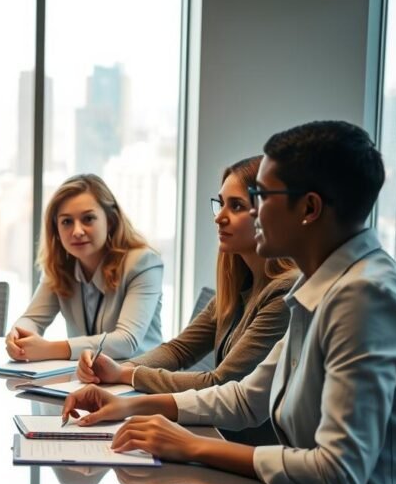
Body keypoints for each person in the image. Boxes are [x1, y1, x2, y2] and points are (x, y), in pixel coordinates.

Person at [62, 121, 396, 484]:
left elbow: (337, 474)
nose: (250, 212)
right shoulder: (320, 286)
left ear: (309, 208)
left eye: (260, 198)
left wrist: (193, 446)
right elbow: (247, 399)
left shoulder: (366, 299)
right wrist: (131, 405)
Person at [77, 156, 297, 393]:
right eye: (220, 204)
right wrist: (120, 368)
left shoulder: (285, 292)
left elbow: (221, 383)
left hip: (235, 430)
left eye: (236, 206)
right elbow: (178, 350)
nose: (219, 217)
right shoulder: (240, 285)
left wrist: (125, 374)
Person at [7, 174, 163, 362]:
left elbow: (126, 341)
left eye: (88, 219)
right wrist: (18, 335)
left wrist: (49, 349)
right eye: (66, 222)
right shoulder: (60, 266)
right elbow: (32, 319)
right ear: (56, 229)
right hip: (88, 380)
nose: (77, 231)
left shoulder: (143, 263)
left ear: (111, 220)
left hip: (140, 380)